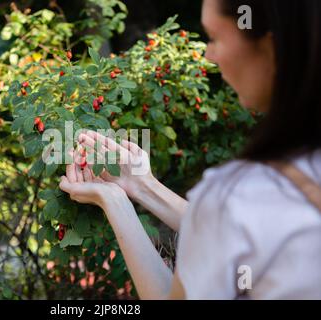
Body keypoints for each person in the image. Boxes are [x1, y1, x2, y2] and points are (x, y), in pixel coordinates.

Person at [59, 0, 321, 299]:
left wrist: (115, 202)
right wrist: (142, 185)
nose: (209, 55)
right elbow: (236, 230)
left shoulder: (240, 193)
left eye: (214, 38)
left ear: (272, 47)